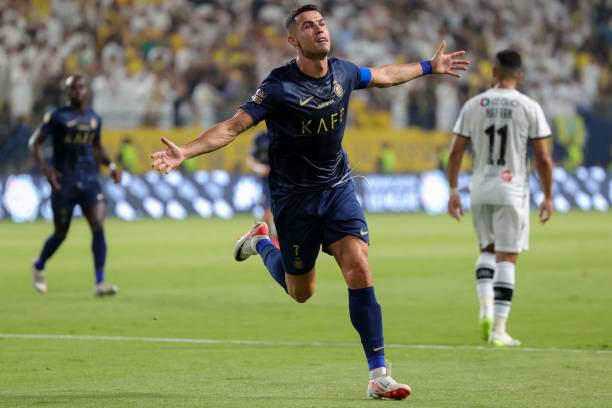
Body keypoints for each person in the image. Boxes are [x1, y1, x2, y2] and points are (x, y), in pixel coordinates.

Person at [151, 4, 468, 399]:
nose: (319, 30)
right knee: (301, 291)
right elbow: (232, 127)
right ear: (293, 40)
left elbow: (384, 75)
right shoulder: (277, 87)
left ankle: (378, 374)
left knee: (359, 266)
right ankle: (260, 243)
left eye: (321, 23)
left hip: (337, 189)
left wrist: (427, 66)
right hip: (294, 201)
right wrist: (186, 151)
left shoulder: (344, 71)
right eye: (308, 26)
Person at [446, 50, 553, 347]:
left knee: (487, 250)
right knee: (508, 256)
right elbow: (543, 158)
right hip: (512, 187)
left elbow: (455, 152)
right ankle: (499, 329)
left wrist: (454, 191)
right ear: (519, 75)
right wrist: (548, 196)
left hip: (480, 187)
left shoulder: (473, 104)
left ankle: (485, 307)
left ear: (493, 72)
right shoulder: (529, 106)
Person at [29, 73, 121, 297]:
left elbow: (97, 146)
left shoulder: (94, 118)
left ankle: (100, 282)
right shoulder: (56, 117)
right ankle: (39, 265)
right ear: (67, 92)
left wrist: (111, 165)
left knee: (98, 225)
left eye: (81, 86)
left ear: (87, 90)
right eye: (74, 87)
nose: (79, 90)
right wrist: (47, 170)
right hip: (64, 181)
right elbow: (35, 143)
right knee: (61, 232)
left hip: (89, 179)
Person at [246, 130, 279, 246]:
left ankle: (278, 238)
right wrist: (259, 168)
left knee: (282, 211)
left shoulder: (285, 131)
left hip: (283, 178)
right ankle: (269, 238)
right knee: (267, 212)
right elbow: (250, 159)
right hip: (266, 181)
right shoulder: (260, 138)